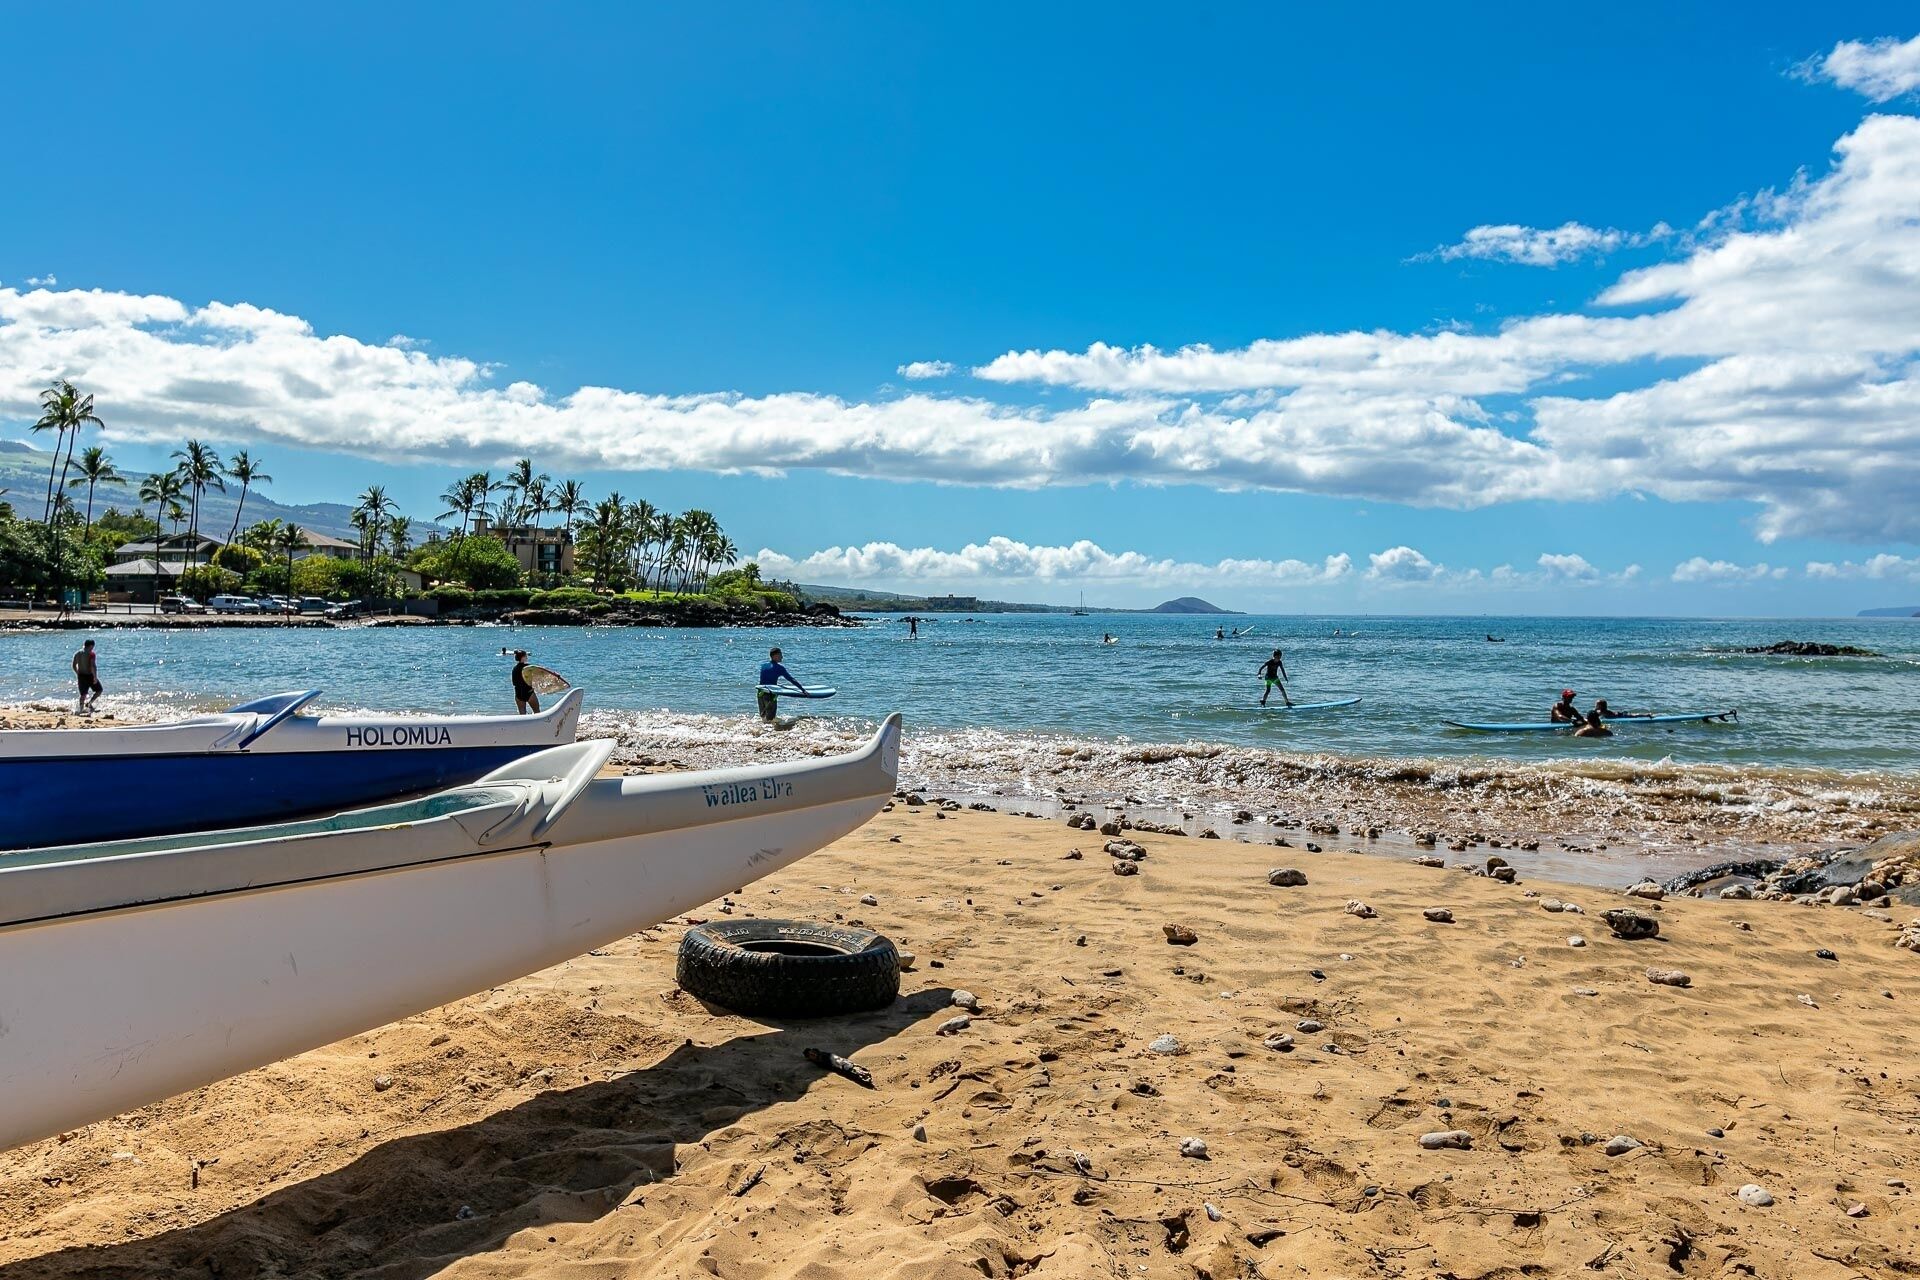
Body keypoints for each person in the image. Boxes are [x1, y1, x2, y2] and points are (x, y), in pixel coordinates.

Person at [758, 646, 805, 722]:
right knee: (770, 719)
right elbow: (791, 679)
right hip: (770, 695)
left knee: (763, 717)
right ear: (775, 656)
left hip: (760, 693)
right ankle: (770, 733)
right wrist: (803, 690)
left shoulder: (763, 666)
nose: (782, 657)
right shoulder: (780, 668)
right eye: (780, 655)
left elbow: (766, 680)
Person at [71, 639, 102, 713]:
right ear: (91, 646)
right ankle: (89, 703)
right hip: (89, 675)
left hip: (81, 675)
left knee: (83, 694)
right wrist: (95, 677)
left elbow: (73, 665)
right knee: (99, 690)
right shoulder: (91, 654)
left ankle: (81, 709)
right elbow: (93, 666)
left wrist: (77, 672)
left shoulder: (77, 653)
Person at [510, 649, 539, 715]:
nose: (527, 657)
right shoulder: (528, 667)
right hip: (528, 692)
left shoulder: (514, 669)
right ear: (522, 658)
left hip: (518, 693)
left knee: (522, 716)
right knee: (537, 712)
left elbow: (514, 682)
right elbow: (538, 675)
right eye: (526, 656)